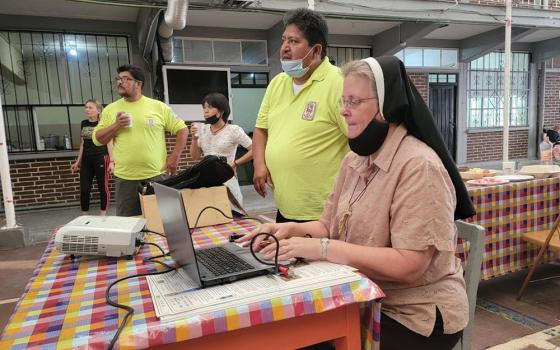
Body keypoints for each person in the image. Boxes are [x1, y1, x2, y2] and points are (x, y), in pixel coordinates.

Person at [239, 56, 476, 350]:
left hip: (414, 313)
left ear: (386, 107)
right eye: (343, 101)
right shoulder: (354, 159)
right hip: (364, 295)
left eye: (353, 101)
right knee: (285, 333)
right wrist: (290, 231)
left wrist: (324, 249)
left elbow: (410, 265)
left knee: (308, 342)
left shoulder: (419, 166)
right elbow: (327, 224)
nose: (343, 111)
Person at [252, 8, 348, 223]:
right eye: (284, 40)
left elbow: (361, 145)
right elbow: (261, 128)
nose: (285, 48)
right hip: (285, 208)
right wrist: (259, 164)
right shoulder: (278, 83)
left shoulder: (339, 84)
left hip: (323, 214)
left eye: (294, 42)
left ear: (316, 51)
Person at [93, 64, 188, 216]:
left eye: (125, 79)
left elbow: (182, 129)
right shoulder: (111, 109)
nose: (119, 82)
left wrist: (174, 158)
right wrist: (116, 125)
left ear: (138, 83)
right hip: (125, 179)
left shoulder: (158, 107)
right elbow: (98, 139)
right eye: (118, 79)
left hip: (157, 175)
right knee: (128, 224)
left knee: (164, 221)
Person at [189, 92, 253, 206]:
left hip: (228, 181)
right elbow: (195, 157)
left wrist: (235, 164)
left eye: (210, 107)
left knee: (233, 217)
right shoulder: (203, 129)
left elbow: (255, 150)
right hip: (207, 182)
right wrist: (194, 139)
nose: (205, 111)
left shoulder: (233, 130)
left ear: (221, 111)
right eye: (204, 107)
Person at [70, 99, 114, 216]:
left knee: (102, 188)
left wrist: (112, 162)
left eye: (90, 107)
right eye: (86, 107)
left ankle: (103, 215)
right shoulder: (84, 123)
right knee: (84, 189)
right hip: (86, 160)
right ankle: (85, 215)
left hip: (101, 158)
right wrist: (78, 162)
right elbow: (83, 144)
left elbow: (109, 143)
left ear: (98, 110)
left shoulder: (104, 124)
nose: (87, 110)